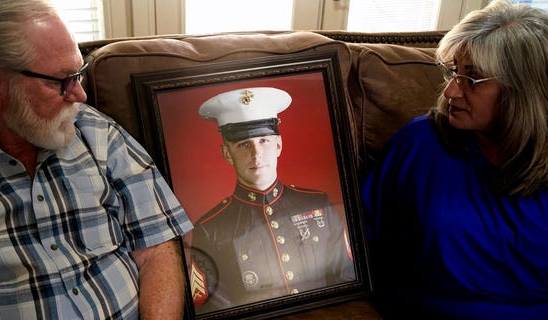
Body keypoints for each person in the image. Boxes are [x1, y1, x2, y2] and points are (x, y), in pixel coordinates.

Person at [0, 0, 193, 319]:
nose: (79, 95)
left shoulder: (95, 132)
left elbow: (157, 248)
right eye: (60, 81)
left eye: (79, 74)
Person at [362, 0, 548, 319]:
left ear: (523, 90)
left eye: (471, 78)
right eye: (454, 71)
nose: (450, 91)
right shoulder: (419, 144)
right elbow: (358, 240)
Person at [189, 87, 355, 314]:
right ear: (227, 154)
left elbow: (345, 279)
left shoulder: (317, 203)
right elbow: (217, 310)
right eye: (243, 145)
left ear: (278, 145)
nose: (256, 154)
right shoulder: (210, 228)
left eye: (264, 141)